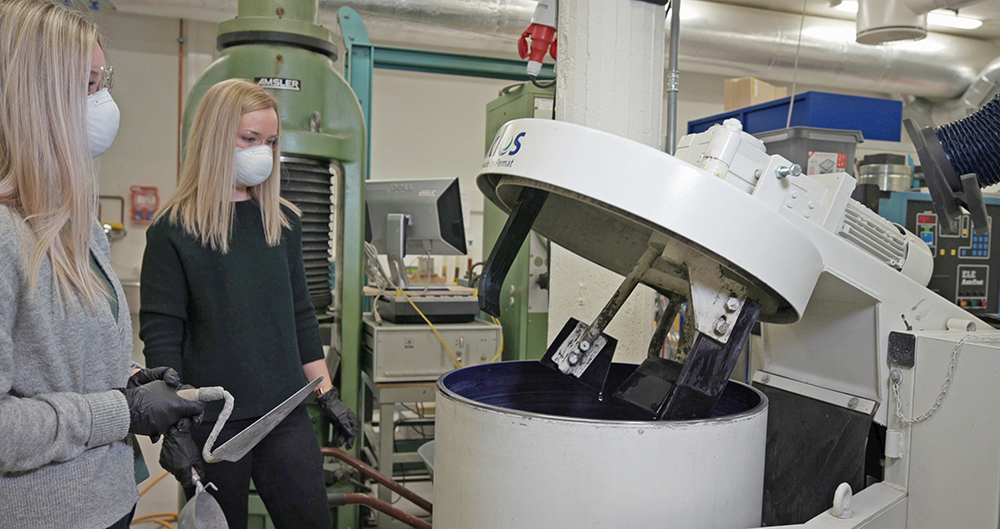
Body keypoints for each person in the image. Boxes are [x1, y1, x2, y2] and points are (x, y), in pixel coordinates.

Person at [0, 1, 206, 528]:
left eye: (104, 80)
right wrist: (124, 411)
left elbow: (56, 364)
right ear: (36, 96)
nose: (105, 101)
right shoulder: (5, 236)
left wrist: (132, 379)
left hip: (110, 500)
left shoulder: (76, 220)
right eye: (89, 85)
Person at [140, 78, 359, 529]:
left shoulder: (282, 223)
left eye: (271, 141)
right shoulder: (173, 231)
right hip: (213, 423)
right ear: (217, 138)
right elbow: (163, 336)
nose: (263, 151)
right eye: (250, 139)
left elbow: (300, 316)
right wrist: (176, 427)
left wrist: (325, 392)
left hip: (284, 414)